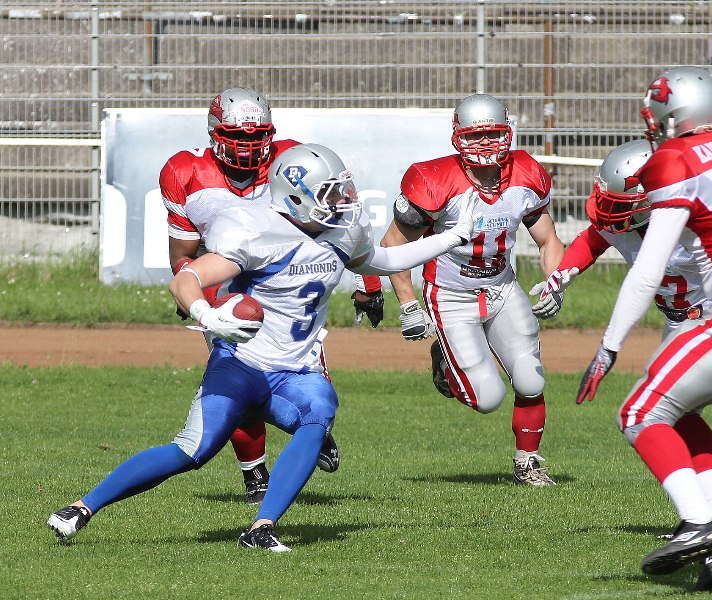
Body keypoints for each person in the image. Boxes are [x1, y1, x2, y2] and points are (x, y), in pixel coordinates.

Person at [47, 143, 483, 552]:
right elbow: (186, 279)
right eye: (331, 194)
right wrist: (207, 315)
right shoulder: (256, 231)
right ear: (296, 197)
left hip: (293, 372)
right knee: (192, 451)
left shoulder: (341, 233)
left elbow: (384, 261)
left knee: (319, 410)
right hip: (241, 365)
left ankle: (261, 528)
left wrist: (451, 237)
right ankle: (82, 507)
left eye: (342, 190)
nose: (342, 201)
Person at [569, 66, 712, 590]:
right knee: (679, 409)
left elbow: (648, 270)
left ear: (673, 117)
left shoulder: (678, 160)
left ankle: (701, 521)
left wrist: (609, 346)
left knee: (639, 411)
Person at [160, 87, 384, 503]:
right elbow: (184, 254)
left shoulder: (292, 161)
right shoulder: (184, 170)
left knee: (307, 377)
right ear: (214, 133)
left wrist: (367, 283)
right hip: (228, 283)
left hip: (291, 283)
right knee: (237, 379)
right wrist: (195, 298)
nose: (247, 146)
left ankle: (310, 427)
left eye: (256, 136)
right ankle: (255, 474)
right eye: (237, 136)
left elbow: (341, 221)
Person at [533, 139, 712, 525]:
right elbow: (593, 239)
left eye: (620, 203)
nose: (608, 210)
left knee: (670, 409)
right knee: (674, 413)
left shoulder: (694, 223)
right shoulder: (626, 221)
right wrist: (561, 276)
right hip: (677, 323)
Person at [380, 93, 566, 486]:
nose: (484, 143)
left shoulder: (527, 172)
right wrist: (408, 304)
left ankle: (528, 462)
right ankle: (444, 363)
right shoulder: (435, 180)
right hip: (450, 294)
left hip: (502, 286)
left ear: (507, 132)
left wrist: (555, 282)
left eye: (492, 134)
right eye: (474, 136)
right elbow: (393, 245)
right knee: (488, 398)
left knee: (531, 380)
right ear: (457, 137)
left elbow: (548, 239)